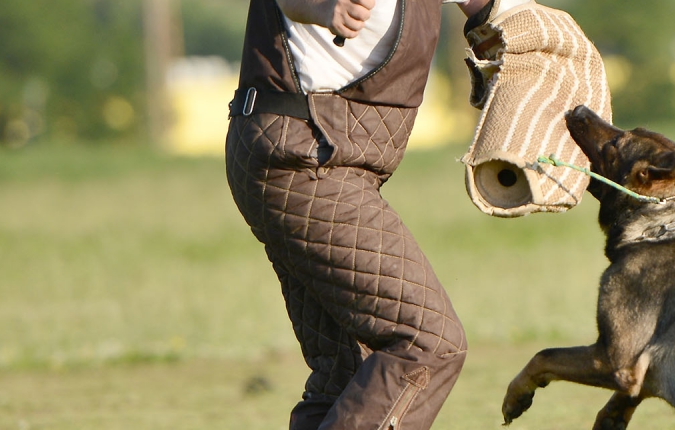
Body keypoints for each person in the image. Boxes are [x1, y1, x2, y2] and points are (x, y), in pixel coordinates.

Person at [223, 0, 524, 428]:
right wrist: (326, 8)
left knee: (346, 373)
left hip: (314, 156)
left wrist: (522, 26)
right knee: (427, 341)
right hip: (305, 159)